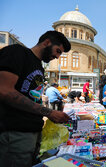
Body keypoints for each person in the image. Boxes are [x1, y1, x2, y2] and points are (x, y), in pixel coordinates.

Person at [0, 30, 71, 167]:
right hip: (15, 133)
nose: (57, 57)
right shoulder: (17, 53)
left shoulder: (38, 66)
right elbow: (4, 90)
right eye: (57, 51)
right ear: (47, 42)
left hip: (32, 133)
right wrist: (49, 112)